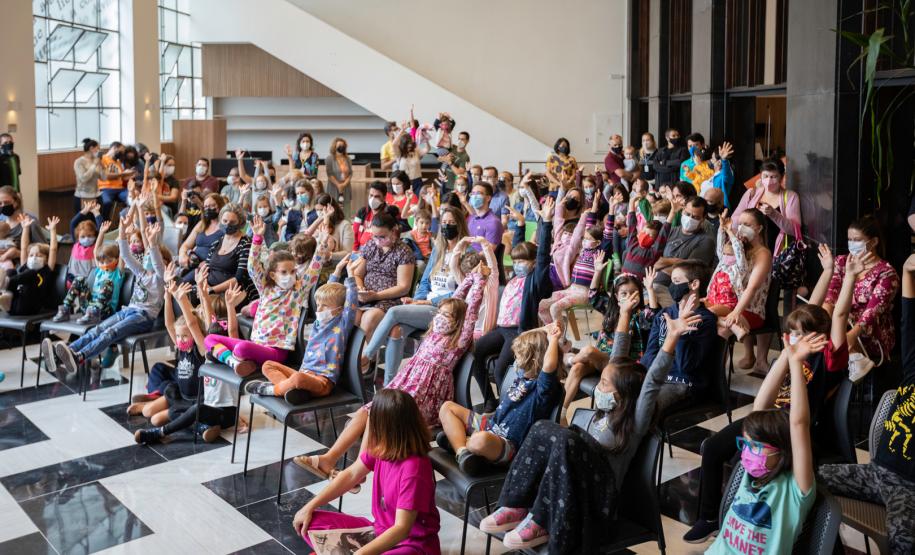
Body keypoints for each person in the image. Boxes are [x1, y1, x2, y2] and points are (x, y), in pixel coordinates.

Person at [480, 296, 702, 551]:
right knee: (542, 427)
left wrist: (672, 337)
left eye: (605, 385)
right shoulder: (604, 409)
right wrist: (625, 314)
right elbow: (616, 357)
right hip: (575, 481)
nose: (599, 387)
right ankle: (517, 505)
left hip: (599, 492)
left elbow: (652, 381)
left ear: (627, 396)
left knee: (566, 437)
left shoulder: (635, 419)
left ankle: (541, 521)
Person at [684, 242, 853, 544]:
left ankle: (759, 518)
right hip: (768, 422)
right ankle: (711, 517)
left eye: (802, 333)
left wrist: (844, 276)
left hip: (793, 431)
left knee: (745, 464)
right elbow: (807, 314)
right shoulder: (791, 352)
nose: (794, 338)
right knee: (713, 448)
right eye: (793, 332)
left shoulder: (829, 357)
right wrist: (826, 272)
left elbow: (836, 315)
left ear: (820, 337)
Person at [294, 269, 486, 483]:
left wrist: (480, 277)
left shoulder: (456, 342)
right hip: (406, 388)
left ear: (458, 323)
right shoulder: (433, 333)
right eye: (439, 313)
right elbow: (454, 300)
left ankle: (355, 473)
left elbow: (470, 309)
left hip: (425, 399)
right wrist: (470, 276)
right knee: (364, 412)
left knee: (377, 414)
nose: (440, 318)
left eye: (447, 316)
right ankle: (329, 459)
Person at [815, 252, 915, 555]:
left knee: (904, 541)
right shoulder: (913, 370)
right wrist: (909, 269)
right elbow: (909, 314)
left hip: (909, 489)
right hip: (874, 472)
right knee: (802, 480)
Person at [703, 333, 817, 554]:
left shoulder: (795, 489)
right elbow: (760, 407)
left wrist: (796, 363)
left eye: (755, 446)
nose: (746, 453)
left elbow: (799, 424)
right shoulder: (751, 475)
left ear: (784, 450)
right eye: (745, 444)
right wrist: (785, 354)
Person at [292, 389, 441, 555]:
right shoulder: (385, 445)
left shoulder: (414, 469)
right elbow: (351, 475)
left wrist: (361, 554)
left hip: (412, 545)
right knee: (309, 522)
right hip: (378, 531)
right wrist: (309, 507)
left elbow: (401, 529)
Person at [44, 215, 170, 374]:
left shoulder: (160, 277)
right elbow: (124, 254)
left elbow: (157, 262)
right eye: (147, 256)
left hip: (143, 316)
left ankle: (80, 356)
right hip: (127, 311)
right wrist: (123, 230)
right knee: (97, 330)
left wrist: (152, 242)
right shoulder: (141, 273)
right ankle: (63, 354)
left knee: (110, 333)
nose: (148, 258)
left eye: (152, 256)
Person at [438, 321, 566, 476]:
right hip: (493, 427)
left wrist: (553, 340)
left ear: (533, 363)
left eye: (518, 357)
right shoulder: (522, 374)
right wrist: (545, 329)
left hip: (510, 447)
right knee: (447, 407)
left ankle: (459, 441)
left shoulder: (543, 389)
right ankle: (463, 452)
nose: (515, 360)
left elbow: (549, 365)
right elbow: (520, 338)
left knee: (480, 440)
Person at [362, 207, 470, 386]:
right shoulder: (438, 251)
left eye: (451, 223)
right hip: (426, 306)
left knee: (395, 312)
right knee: (396, 330)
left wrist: (428, 301)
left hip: (447, 310)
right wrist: (416, 299)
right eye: (444, 223)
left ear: (460, 225)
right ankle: (390, 385)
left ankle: (366, 356)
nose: (447, 226)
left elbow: (462, 292)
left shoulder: (469, 254)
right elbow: (426, 282)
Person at [207, 219, 327, 380]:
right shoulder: (265, 289)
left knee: (241, 347)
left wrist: (322, 244)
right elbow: (253, 267)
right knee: (209, 339)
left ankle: (238, 360)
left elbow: (314, 269)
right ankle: (236, 363)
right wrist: (257, 239)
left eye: (292, 271)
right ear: (273, 274)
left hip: (276, 352)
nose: (289, 275)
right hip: (257, 345)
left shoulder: (298, 290)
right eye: (284, 272)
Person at [470, 199, 557, 412]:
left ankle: (507, 406)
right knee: (474, 353)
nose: (517, 265)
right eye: (515, 262)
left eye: (522, 262)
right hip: (502, 330)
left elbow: (543, 255)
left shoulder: (534, 281)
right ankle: (490, 399)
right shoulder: (514, 278)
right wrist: (519, 225)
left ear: (534, 263)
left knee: (501, 370)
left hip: (519, 332)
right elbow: (519, 250)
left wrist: (546, 222)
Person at [245, 256, 358, 404]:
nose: (319, 309)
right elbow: (327, 291)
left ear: (340, 310)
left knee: (298, 379)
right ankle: (293, 391)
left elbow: (351, 303)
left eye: (325, 306)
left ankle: (273, 390)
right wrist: (336, 271)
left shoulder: (342, 323)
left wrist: (350, 276)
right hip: (303, 373)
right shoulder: (319, 321)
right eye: (318, 304)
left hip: (322, 382)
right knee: (268, 365)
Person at [564, 264, 660, 414]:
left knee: (588, 350)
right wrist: (597, 271)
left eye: (634, 292)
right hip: (601, 361)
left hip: (621, 365)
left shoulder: (640, 314)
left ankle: (569, 360)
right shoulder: (610, 308)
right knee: (578, 369)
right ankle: (562, 412)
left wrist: (651, 289)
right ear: (616, 296)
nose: (629, 296)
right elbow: (594, 296)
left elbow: (652, 316)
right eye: (623, 293)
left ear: (640, 294)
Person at [819, 215, 899, 381]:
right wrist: (821, 325)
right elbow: (830, 297)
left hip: (869, 333)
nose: (852, 244)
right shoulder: (841, 262)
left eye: (857, 240)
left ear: (873, 241)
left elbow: (872, 313)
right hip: (839, 326)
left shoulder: (887, 273)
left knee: (832, 340)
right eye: (849, 239)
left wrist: (850, 335)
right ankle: (854, 357)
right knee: (819, 333)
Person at [133, 280, 214, 443]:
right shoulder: (181, 347)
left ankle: (200, 426)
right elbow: (169, 325)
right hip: (179, 395)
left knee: (157, 421)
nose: (180, 339)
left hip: (196, 400)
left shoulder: (201, 350)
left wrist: (180, 299)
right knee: (149, 413)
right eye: (178, 336)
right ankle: (166, 408)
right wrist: (168, 298)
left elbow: (191, 323)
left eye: (185, 336)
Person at [640, 259, 717, 410]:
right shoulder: (664, 314)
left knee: (645, 407)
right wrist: (638, 376)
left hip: (683, 383)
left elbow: (686, 366)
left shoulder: (706, 321)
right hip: (656, 378)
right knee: (623, 395)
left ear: (694, 284)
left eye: (676, 281)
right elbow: (651, 353)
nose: (672, 287)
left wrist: (682, 333)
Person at [352, 212, 416, 369]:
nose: (378, 240)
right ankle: (349, 357)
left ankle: (367, 362)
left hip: (390, 299)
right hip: (366, 297)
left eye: (382, 236)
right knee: (348, 315)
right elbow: (358, 274)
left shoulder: (403, 251)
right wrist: (360, 287)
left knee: (369, 319)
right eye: (374, 236)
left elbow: (404, 287)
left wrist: (377, 295)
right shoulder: (370, 246)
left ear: (393, 230)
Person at [708, 209, 773, 344]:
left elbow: (752, 287)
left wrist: (737, 312)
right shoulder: (737, 248)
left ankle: (716, 365)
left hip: (750, 309)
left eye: (747, 225)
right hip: (728, 303)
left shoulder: (763, 254)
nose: (742, 228)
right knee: (698, 313)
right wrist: (722, 228)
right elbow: (720, 255)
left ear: (759, 228)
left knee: (721, 330)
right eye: (740, 223)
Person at [538, 191, 602, 325]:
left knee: (554, 306)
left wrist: (584, 216)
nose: (566, 235)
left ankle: (559, 339)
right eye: (565, 233)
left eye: (569, 234)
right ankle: (550, 331)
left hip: (572, 286)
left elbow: (579, 233)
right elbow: (558, 226)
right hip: (560, 282)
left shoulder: (574, 248)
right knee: (540, 304)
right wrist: (559, 208)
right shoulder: (558, 243)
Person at [185, 203, 257, 305]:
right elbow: (207, 268)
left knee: (206, 306)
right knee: (183, 296)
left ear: (240, 223)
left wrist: (211, 290)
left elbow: (239, 279)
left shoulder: (246, 244)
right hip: (209, 288)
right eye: (225, 221)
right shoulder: (216, 243)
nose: (228, 224)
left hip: (231, 292)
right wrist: (203, 287)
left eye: (232, 222)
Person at [651, 196, 716, 307]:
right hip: (651, 284)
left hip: (675, 292)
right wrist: (678, 261)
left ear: (703, 218)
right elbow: (650, 260)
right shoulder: (671, 231)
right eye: (687, 214)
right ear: (682, 211)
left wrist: (659, 264)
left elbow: (688, 274)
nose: (690, 218)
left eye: (695, 217)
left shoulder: (705, 241)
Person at [0, 215, 58, 315]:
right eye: (31, 255)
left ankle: (6, 283)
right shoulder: (25, 266)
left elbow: (53, 249)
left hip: (30, 307)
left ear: (46, 260)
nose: (34, 257)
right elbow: (24, 248)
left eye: (39, 255)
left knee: (32, 273)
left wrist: (53, 230)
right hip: (13, 306)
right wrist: (25, 228)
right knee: (11, 271)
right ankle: (6, 293)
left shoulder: (47, 270)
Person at [620, 193, 672, 279]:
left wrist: (673, 212)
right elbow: (632, 225)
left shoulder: (653, 253)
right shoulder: (632, 244)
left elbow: (664, 232)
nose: (645, 235)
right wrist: (632, 204)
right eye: (643, 231)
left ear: (656, 240)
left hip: (641, 287)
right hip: (624, 283)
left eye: (650, 235)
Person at [178, 193, 225, 277]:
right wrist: (182, 254)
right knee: (172, 279)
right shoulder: (201, 224)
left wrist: (210, 262)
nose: (208, 209)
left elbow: (229, 251)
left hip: (210, 267)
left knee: (182, 283)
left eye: (211, 206)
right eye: (206, 207)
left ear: (221, 207)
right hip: (193, 262)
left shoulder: (225, 226)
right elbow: (186, 245)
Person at [0, 186, 46, 266]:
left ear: (16, 202)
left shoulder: (30, 223)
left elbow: (44, 251)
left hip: (24, 268)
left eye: (7, 203)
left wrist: (17, 253)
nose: (3, 206)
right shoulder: (1, 224)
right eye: (0, 203)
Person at [305, 194, 354, 260]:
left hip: (336, 265)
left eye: (322, 210)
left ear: (331, 208)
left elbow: (347, 253)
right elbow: (305, 236)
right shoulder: (318, 223)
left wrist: (327, 255)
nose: (319, 212)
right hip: (317, 263)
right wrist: (319, 219)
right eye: (317, 210)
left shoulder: (345, 225)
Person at [97, 142, 137, 219]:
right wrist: (123, 173)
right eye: (121, 151)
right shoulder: (102, 159)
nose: (123, 154)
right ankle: (104, 226)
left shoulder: (118, 162)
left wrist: (131, 175)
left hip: (120, 189)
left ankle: (131, 220)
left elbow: (122, 178)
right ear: (114, 148)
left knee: (132, 198)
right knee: (106, 202)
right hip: (105, 189)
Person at [393, 121, 431, 196]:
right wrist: (402, 130)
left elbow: (427, 149)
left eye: (411, 143)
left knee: (420, 202)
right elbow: (394, 144)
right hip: (404, 182)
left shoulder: (416, 151)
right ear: (404, 143)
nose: (410, 145)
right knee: (407, 202)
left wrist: (425, 137)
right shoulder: (399, 153)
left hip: (417, 181)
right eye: (408, 143)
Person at [506, 172, 541, 250]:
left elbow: (534, 224)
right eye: (520, 187)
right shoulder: (517, 205)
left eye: (523, 187)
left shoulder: (538, 206)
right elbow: (510, 224)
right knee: (504, 236)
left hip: (531, 235)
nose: (521, 189)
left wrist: (521, 225)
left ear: (532, 189)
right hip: (517, 233)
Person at [466, 182, 504, 251]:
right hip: (466, 256)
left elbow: (488, 252)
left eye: (478, 193)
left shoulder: (493, 222)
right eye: (472, 193)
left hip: (479, 260)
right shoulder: (472, 217)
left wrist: (469, 261)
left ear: (488, 198)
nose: (474, 196)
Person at [353, 181, 389, 251]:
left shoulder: (387, 213)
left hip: (379, 250)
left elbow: (390, 236)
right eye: (371, 195)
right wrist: (354, 250)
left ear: (384, 198)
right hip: (361, 249)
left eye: (377, 196)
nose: (372, 199)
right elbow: (355, 232)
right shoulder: (362, 211)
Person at [73, 138, 107, 213]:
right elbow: (83, 178)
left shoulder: (97, 160)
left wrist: (103, 167)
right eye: (98, 148)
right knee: (85, 223)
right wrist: (94, 165)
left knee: (98, 221)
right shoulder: (79, 162)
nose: (99, 150)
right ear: (92, 148)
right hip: (83, 196)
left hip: (97, 196)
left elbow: (103, 178)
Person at [325, 137, 353, 205]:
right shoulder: (329, 158)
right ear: (335, 147)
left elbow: (350, 173)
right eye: (339, 145)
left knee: (346, 209)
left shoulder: (347, 158)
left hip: (345, 186)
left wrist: (343, 184)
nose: (341, 147)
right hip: (333, 186)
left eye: (342, 145)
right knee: (333, 207)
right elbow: (329, 173)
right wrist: (339, 185)